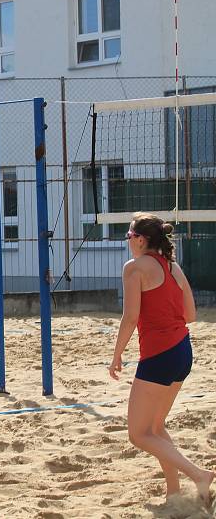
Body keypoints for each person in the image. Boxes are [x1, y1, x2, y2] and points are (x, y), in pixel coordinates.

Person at [109, 212, 213, 504]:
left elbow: (130, 317)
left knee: (138, 435)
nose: (128, 242)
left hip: (160, 355)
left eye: (129, 236)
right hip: (183, 351)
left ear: (141, 240)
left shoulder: (134, 268)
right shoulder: (172, 266)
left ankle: (199, 475)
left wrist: (117, 355)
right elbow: (190, 315)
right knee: (155, 426)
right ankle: (174, 493)